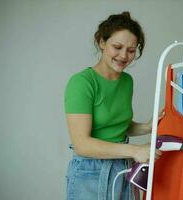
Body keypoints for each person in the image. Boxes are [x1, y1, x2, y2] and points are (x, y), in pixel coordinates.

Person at [64, 11, 163, 200]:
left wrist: (147, 127)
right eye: (117, 47)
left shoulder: (127, 81)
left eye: (131, 50)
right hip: (90, 171)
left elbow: (116, 125)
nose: (124, 55)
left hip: (122, 167)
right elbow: (81, 144)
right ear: (102, 42)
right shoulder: (81, 83)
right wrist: (135, 150)